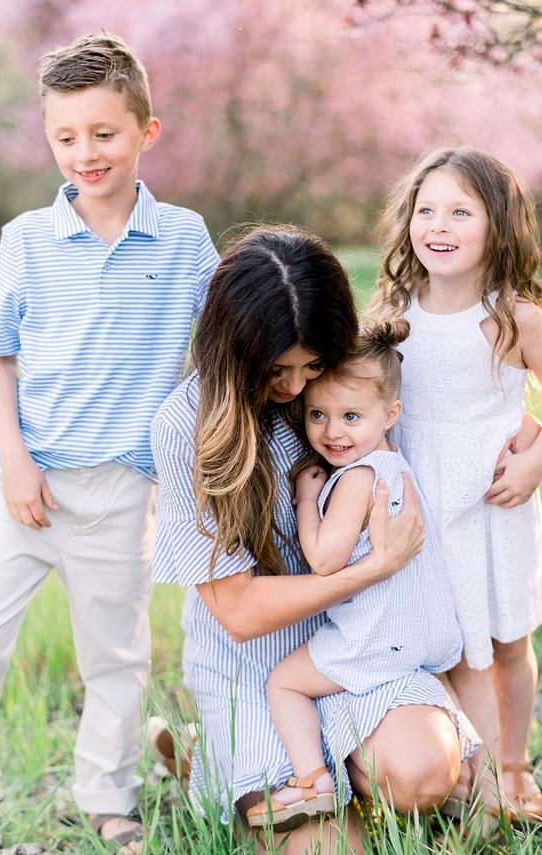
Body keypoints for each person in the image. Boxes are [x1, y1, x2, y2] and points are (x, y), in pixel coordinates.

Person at [149, 224, 479, 854]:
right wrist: (371, 568)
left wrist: (530, 438)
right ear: (235, 349)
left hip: (357, 646)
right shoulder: (185, 426)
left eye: (312, 365)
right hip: (257, 667)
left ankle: (281, 776)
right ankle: (215, 768)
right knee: (332, 848)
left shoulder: (349, 390)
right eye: (278, 370)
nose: (299, 391)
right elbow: (240, 612)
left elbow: (462, 420)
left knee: (422, 774)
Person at [0, 31, 219, 851]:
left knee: (114, 658)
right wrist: (13, 460)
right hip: (24, 480)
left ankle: (107, 793)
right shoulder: (26, 240)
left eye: (104, 133)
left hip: (120, 485)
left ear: (147, 132)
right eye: (65, 137)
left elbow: (229, 337)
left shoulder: (183, 238)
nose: (85, 153)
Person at [369, 145, 542, 825]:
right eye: (426, 209)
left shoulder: (515, 317)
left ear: (497, 227)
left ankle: (514, 766)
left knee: (505, 642)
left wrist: (537, 455)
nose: (437, 225)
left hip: (495, 501)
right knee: (447, 640)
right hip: (423, 499)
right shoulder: (393, 311)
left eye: (460, 211)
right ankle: (470, 773)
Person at [246, 318, 464, 831]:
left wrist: (305, 498)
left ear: (391, 414)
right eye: (317, 414)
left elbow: (324, 560)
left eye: (350, 416)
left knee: (284, 683)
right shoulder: (395, 463)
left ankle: (312, 780)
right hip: (417, 632)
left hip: (374, 637)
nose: (331, 431)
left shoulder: (357, 478)